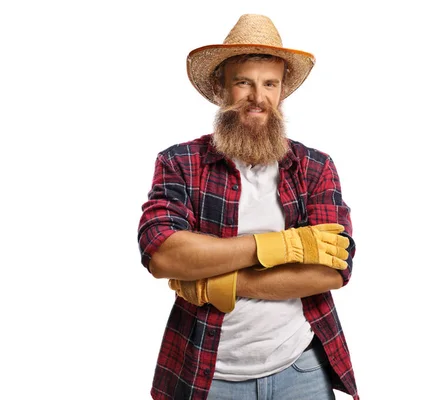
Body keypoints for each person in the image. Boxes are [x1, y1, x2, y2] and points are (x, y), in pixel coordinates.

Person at [137, 14, 359, 400]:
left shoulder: (314, 167)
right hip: (209, 371)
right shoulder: (180, 163)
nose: (259, 97)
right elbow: (163, 254)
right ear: (222, 88)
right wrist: (279, 246)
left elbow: (333, 270)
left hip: (301, 368)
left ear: (281, 92)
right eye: (244, 83)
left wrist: (227, 283)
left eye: (269, 84)